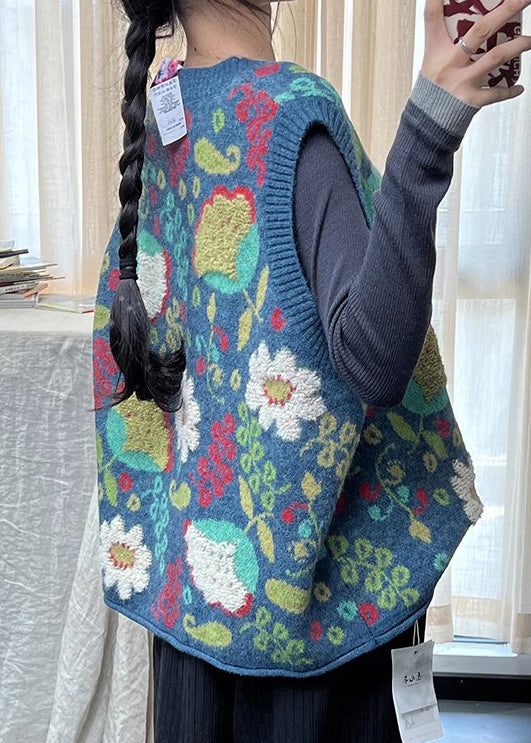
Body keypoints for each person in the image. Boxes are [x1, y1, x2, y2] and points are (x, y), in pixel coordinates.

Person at [91, 0, 529, 740]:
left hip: (200, 607)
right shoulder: (287, 114)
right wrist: (430, 126)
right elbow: (373, 359)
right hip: (322, 626)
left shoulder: (169, 111)